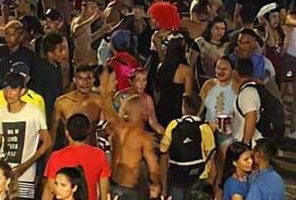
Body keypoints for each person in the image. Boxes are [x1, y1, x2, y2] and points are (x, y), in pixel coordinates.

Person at [99, 68, 160, 200]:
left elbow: (106, 105)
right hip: (129, 190)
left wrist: (107, 89)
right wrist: (156, 186)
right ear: (143, 114)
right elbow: (153, 169)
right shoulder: (143, 138)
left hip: (113, 183)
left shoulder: (117, 128)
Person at [0, 71, 52, 199]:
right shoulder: (0, 113)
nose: (9, 92)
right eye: (6, 88)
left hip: (25, 175)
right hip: (3, 173)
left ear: (23, 91)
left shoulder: (34, 113)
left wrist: (26, 165)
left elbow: (47, 142)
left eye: (13, 89)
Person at [159, 94, 215, 200]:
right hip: (200, 177)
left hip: (177, 177)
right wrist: (212, 184)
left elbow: (163, 152)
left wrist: (164, 187)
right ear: (201, 109)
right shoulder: (205, 128)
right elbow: (211, 158)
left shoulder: (173, 125)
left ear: (183, 108)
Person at [43, 113, 110, 200]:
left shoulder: (56, 157)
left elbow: (49, 191)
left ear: (67, 133)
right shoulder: (99, 155)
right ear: (88, 132)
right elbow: (104, 192)